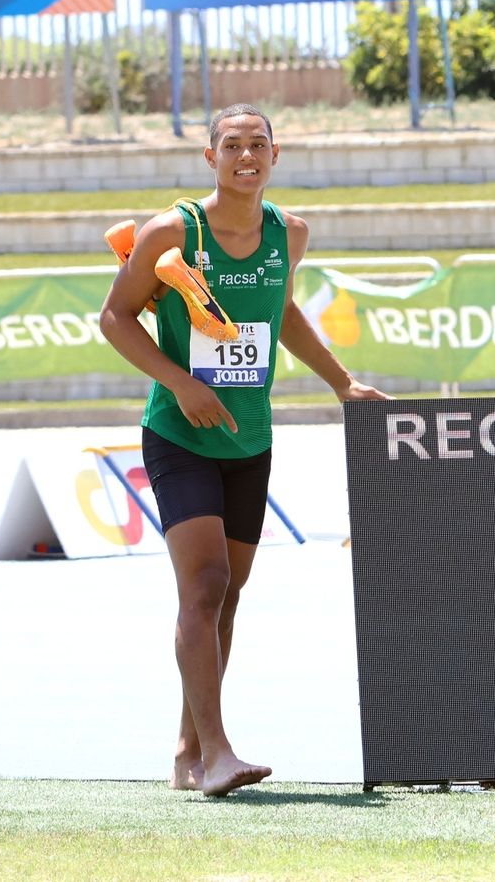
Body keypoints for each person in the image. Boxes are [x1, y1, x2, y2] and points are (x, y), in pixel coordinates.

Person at [100, 103, 387, 797]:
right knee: (202, 590)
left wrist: (342, 383)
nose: (246, 155)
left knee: (227, 599)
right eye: (232, 145)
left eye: (258, 144)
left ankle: (186, 754)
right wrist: (180, 383)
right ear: (211, 158)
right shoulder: (172, 231)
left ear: (275, 155)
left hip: (249, 436)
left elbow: (281, 312)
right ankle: (218, 754)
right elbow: (115, 317)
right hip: (180, 433)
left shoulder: (290, 234)